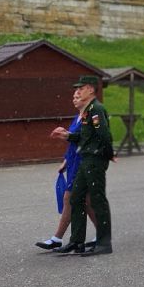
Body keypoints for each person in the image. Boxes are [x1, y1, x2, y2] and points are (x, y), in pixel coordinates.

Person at [49, 75, 113, 255]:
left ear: (91, 90)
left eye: (82, 88)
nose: (78, 91)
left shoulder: (96, 109)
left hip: (94, 160)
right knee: (76, 199)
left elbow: (104, 136)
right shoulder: (87, 110)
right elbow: (85, 137)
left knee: (98, 200)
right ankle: (76, 241)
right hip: (85, 159)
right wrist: (67, 136)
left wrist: (107, 155)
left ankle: (104, 243)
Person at [36, 88, 92, 252]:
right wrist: (66, 161)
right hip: (74, 162)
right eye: (73, 97)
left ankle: (57, 238)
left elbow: (84, 140)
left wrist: (66, 134)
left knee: (70, 199)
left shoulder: (90, 117)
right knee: (86, 203)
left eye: (78, 97)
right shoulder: (78, 117)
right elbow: (73, 143)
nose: (74, 100)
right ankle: (101, 235)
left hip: (83, 164)